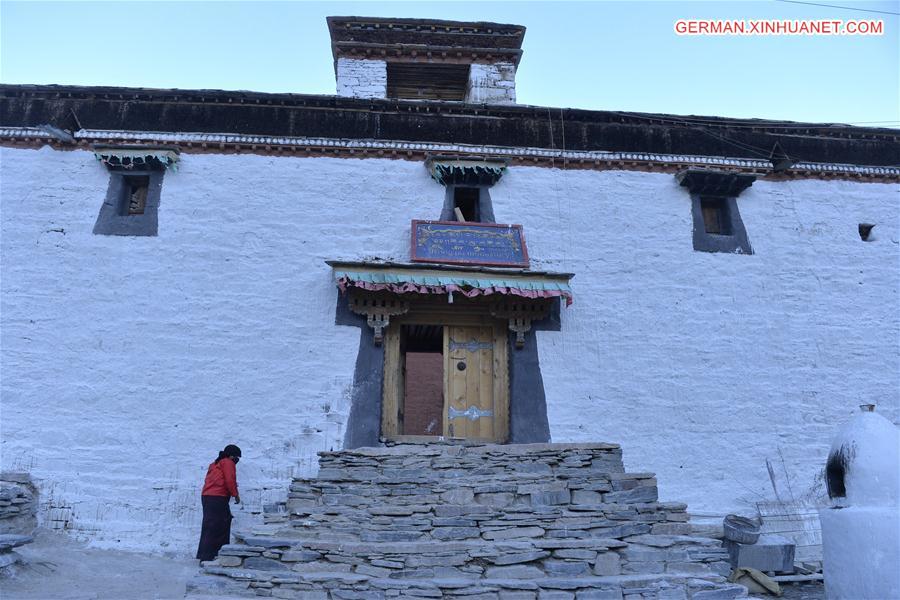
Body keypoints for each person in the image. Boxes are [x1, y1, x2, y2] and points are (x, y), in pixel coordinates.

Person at [196, 444, 242, 561]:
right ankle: (217, 555)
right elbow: (230, 479)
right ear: (231, 456)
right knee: (221, 526)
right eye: (237, 458)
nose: (237, 460)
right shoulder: (227, 462)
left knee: (209, 526)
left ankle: (204, 556)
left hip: (207, 497)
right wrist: (235, 494)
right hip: (218, 497)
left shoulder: (214, 464)